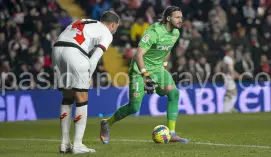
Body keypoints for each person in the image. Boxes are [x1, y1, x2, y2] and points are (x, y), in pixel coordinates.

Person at [100, 6, 188, 144]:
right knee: (134, 107)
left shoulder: (175, 33)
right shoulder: (154, 31)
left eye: (181, 17)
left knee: (174, 93)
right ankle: (107, 123)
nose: (180, 20)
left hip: (158, 69)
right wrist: (145, 75)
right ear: (168, 18)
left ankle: (171, 133)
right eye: (177, 17)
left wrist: (164, 68)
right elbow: (138, 54)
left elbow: (167, 50)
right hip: (139, 70)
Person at [52, 11, 119, 154]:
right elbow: (94, 58)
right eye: (115, 28)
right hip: (74, 51)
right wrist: (88, 76)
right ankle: (77, 144)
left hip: (57, 49)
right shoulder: (107, 33)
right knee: (82, 97)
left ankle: (64, 143)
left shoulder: (83, 21)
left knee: (67, 96)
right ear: (112, 25)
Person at [221, 48, 239, 113]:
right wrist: (233, 75)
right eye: (231, 51)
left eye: (233, 51)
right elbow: (230, 68)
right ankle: (228, 108)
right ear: (228, 52)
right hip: (228, 78)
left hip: (226, 77)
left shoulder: (226, 58)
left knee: (228, 94)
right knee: (234, 93)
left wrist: (236, 74)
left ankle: (228, 108)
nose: (233, 53)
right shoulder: (228, 59)